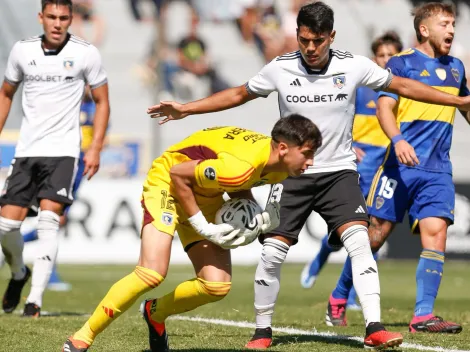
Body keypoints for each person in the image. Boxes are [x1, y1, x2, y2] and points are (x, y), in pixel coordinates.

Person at [146, 2, 470, 349]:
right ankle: (262, 332)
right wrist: (186, 109)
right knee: (272, 253)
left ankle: (374, 326)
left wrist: (458, 102)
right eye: (304, 40)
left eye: (318, 40)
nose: (311, 48)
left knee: (360, 243)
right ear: (297, 35)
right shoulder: (280, 68)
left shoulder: (354, 65)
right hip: (293, 175)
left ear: (331, 36)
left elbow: (404, 87)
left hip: (339, 174)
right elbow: (239, 94)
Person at [62, 114, 322, 352]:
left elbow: (240, 185)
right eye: (307, 154)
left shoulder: (278, 167)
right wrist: (201, 225)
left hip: (203, 193)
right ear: (283, 148)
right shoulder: (241, 166)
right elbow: (178, 174)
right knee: (151, 273)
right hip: (168, 183)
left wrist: (251, 213)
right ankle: (82, 336)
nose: (310, 162)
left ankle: (155, 312)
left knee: (216, 285)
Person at [0, 0, 109, 317]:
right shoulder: (22, 51)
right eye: (51, 17)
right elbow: (6, 93)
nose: (57, 23)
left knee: (49, 221)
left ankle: (34, 301)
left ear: (71, 19)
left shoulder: (85, 53)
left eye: (63, 18)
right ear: (41, 18)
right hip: (27, 152)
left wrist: (96, 147)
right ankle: (20, 273)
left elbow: (102, 101)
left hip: (64, 153)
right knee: (6, 226)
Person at [364, 2, 466, 333]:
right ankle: (341, 294)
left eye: (453, 24)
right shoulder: (401, 62)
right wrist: (398, 140)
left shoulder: (457, 69)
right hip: (399, 166)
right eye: (444, 24)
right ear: (424, 29)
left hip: (437, 170)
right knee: (374, 238)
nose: (451, 30)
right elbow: (383, 108)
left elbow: (466, 108)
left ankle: (423, 314)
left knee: (436, 234)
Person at [300, 31, 403, 316]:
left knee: (372, 233)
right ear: (374, 58)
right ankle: (321, 259)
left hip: (388, 164)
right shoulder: (361, 87)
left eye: (391, 55)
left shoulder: (402, 88)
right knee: (353, 227)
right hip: (361, 162)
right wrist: (352, 145)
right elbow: (334, 117)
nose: (386, 60)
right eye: (381, 55)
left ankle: (354, 293)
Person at [19, 86, 97, 292]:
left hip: (78, 166)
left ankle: (13, 243)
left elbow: (100, 137)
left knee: (57, 220)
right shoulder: (65, 101)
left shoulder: (96, 108)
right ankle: (49, 272)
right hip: (63, 161)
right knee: (55, 219)